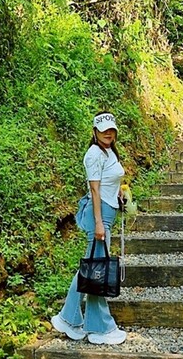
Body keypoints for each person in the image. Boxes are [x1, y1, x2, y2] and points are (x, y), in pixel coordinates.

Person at [51, 111, 127, 345]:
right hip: (100, 215)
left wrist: (119, 193)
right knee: (94, 269)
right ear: (95, 132)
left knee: (94, 268)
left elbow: (107, 183)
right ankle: (91, 324)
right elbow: (94, 190)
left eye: (111, 129)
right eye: (103, 130)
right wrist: (98, 224)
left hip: (107, 211)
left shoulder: (109, 151)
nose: (108, 133)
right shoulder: (93, 154)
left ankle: (77, 320)